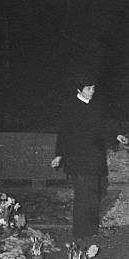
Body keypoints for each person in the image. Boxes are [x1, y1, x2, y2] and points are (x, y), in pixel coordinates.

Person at [51, 73, 129, 241]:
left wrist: (116, 136)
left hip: (94, 157)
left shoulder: (95, 106)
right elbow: (64, 133)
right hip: (77, 158)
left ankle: (91, 230)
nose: (92, 91)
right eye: (88, 88)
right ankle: (79, 232)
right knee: (83, 194)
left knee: (94, 194)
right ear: (79, 89)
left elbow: (103, 127)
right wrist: (59, 154)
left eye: (93, 88)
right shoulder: (71, 108)